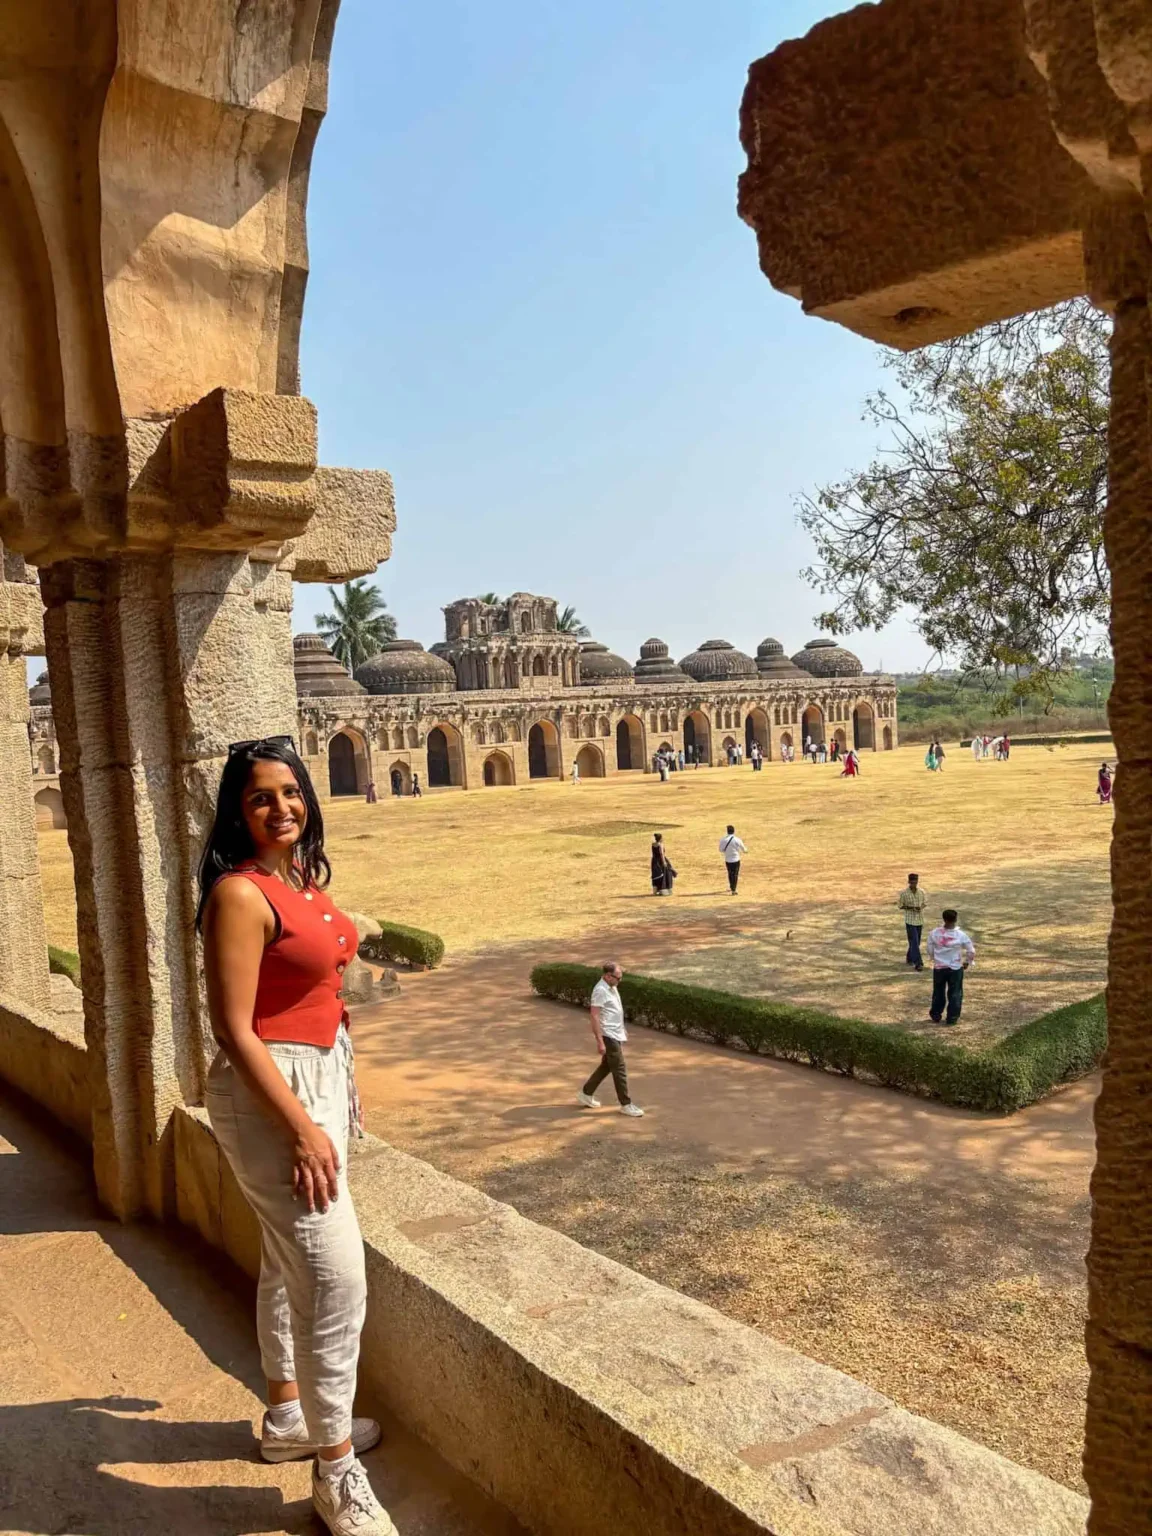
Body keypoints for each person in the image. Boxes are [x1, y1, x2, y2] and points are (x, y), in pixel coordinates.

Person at [197, 736, 396, 1536]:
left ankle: (289, 1417)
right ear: (237, 813)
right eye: (260, 798)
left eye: (291, 792)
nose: (281, 807)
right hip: (270, 1092)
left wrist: (337, 1085)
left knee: (287, 1263)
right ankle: (335, 1471)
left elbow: (329, 965)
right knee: (335, 1279)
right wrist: (305, 1129)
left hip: (315, 1076)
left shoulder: (300, 882)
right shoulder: (240, 895)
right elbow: (233, 1028)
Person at [578, 962, 643, 1117]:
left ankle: (586, 1093)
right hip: (608, 1035)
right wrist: (600, 1041)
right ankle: (626, 1104)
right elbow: (594, 1016)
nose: (620, 980)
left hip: (615, 1032)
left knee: (607, 1066)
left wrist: (622, 1028)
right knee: (619, 1069)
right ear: (608, 976)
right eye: (618, 978)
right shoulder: (600, 991)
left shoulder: (612, 987)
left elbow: (614, 1011)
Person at [926, 908, 976, 1025]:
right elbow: (971, 950)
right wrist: (967, 961)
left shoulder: (934, 933)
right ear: (956, 919)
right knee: (955, 993)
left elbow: (930, 949)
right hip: (955, 967)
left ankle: (936, 1014)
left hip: (939, 967)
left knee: (938, 992)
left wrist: (934, 958)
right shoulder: (961, 935)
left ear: (944, 919)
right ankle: (952, 1017)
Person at [897, 872, 927, 970]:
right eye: (912, 882)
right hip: (910, 921)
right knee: (914, 941)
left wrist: (920, 907)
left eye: (915, 882)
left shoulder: (921, 892)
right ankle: (918, 963)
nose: (914, 884)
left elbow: (924, 903)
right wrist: (910, 908)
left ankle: (909, 957)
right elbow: (900, 905)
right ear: (909, 882)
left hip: (919, 920)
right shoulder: (904, 893)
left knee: (916, 942)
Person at [719, 824, 746, 894]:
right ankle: (734, 889)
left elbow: (720, 849)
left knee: (730, 873)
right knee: (735, 874)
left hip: (728, 860)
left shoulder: (723, 840)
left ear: (727, 831)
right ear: (734, 831)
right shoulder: (737, 839)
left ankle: (731, 887)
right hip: (736, 860)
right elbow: (744, 849)